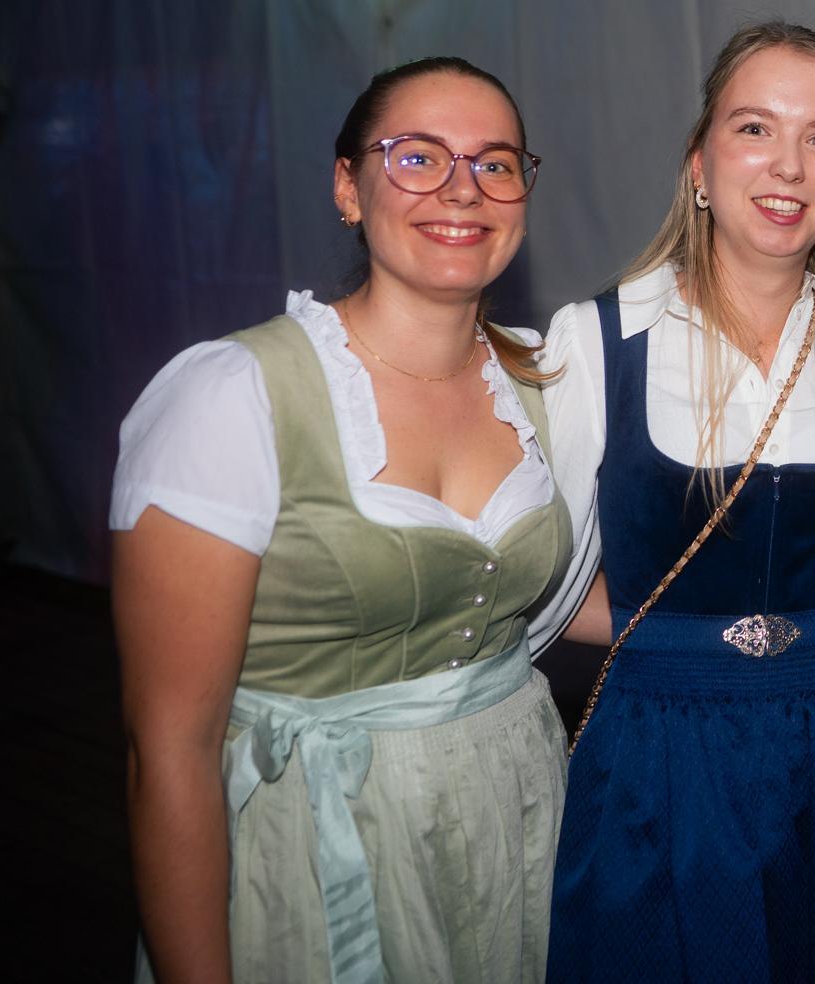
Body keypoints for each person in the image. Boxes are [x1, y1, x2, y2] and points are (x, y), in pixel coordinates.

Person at [111, 56, 570, 982]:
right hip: (318, 842)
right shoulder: (233, 396)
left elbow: (567, 589)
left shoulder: (541, 376)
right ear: (347, 187)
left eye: (495, 162)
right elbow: (171, 752)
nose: (461, 189)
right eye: (416, 158)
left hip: (518, 819)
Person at [539, 21, 815, 981]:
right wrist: (673, 640)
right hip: (659, 749)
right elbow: (535, 586)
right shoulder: (597, 339)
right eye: (755, 128)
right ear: (699, 165)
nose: (789, 163)